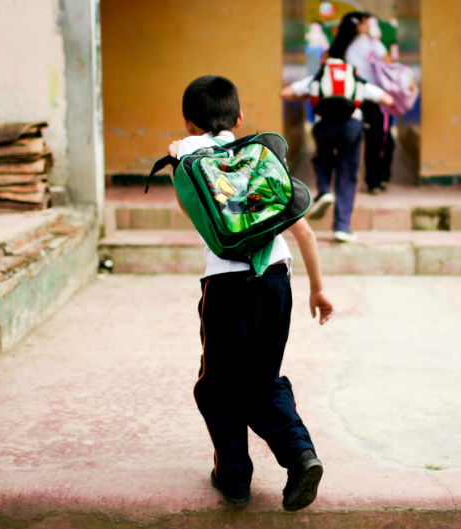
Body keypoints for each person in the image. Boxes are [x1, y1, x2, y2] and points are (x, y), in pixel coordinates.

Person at [167, 75, 334, 511]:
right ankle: (301, 456)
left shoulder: (187, 157)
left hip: (226, 287)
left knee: (216, 387)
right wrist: (318, 290)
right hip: (277, 280)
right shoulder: (260, 163)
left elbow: (189, 200)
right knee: (263, 380)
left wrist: (177, 156)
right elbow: (306, 232)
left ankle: (235, 480)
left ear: (188, 123)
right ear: (240, 118)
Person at [281, 56, 393, 243]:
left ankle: (324, 191)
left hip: (323, 126)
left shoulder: (316, 78)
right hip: (351, 126)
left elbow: (286, 93)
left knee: (322, 159)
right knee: (347, 173)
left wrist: (307, 95)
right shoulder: (357, 80)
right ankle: (342, 227)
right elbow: (387, 99)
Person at [329, 11, 395, 195]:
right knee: (379, 140)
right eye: (366, 22)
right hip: (372, 98)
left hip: (349, 101)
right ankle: (375, 181)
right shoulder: (371, 44)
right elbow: (389, 62)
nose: (369, 26)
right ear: (359, 25)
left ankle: (344, 181)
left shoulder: (341, 48)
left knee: (349, 142)